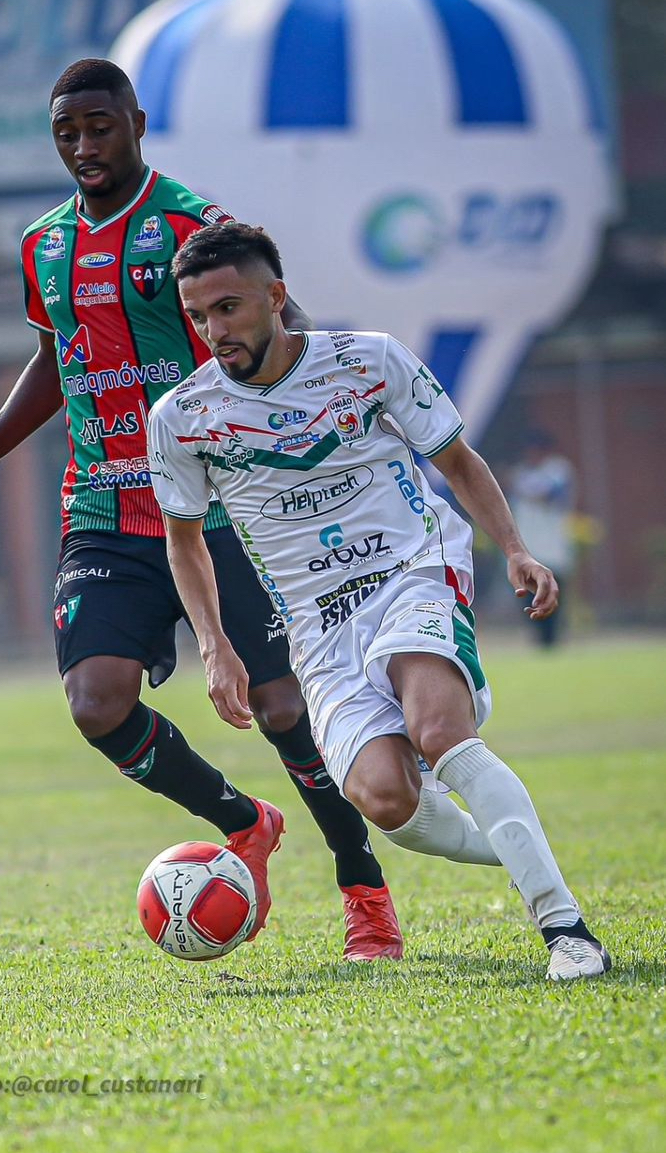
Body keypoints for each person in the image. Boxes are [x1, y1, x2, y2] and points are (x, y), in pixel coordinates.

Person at [0, 58, 402, 958]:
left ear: (137, 122)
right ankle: (240, 819)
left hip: (221, 513)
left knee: (283, 708)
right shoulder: (44, 245)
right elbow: (54, 363)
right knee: (95, 701)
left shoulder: (190, 223)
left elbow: (276, 330)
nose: (83, 146)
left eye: (99, 127)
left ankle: (363, 888)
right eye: (67, 133)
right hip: (103, 507)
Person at [148, 221, 610, 980]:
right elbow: (184, 540)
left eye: (227, 308)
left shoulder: (368, 359)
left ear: (275, 296)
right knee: (385, 799)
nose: (213, 331)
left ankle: (567, 931)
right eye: (198, 315)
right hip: (316, 624)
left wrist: (517, 548)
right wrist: (214, 643)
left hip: (411, 568)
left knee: (439, 730)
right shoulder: (182, 418)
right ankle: (517, 837)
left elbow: (458, 461)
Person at [508, 430, 577, 647]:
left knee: (555, 592)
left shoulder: (558, 470)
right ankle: (538, 639)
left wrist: (514, 484)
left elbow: (548, 494)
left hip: (553, 543)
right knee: (529, 594)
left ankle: (553, 639)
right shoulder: (521, 472)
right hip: (528, 545)